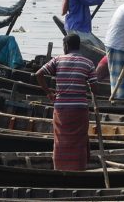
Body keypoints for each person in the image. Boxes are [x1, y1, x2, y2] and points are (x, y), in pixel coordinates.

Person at [35, 34, 97, 170]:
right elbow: (94, 87)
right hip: (79, 109)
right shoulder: (88, 63)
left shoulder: (57, 60)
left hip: (61, 108)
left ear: (66, 46)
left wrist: (49, 93)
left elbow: (38, 74)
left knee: (60, 140)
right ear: (78, 46)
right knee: (79, 140)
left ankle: (60, 168)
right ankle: (79, 169)